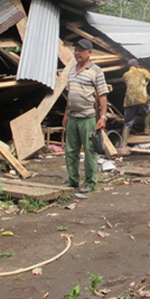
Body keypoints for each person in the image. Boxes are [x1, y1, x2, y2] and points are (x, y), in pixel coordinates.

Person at [62, 38, 109, 193]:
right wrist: (66, 114)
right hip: (73, 117)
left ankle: (89, 182)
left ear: (89, 52)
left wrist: (103, 117)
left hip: (88, 118)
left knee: (89, 151)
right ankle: (73, 180)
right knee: (70, 150)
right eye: (75, 50)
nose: (77, 53)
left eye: (80, 50)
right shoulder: (72, 70)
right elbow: (70, 94)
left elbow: (102, 96)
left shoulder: (96, 71)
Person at [121, 59, 150, 146]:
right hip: (141, 96)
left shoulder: (125, 75)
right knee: (148, 109)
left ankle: (123, 142)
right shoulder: (142, 71)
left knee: (128, 120)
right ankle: (147, 129)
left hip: (129, 98)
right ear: (137, 66)